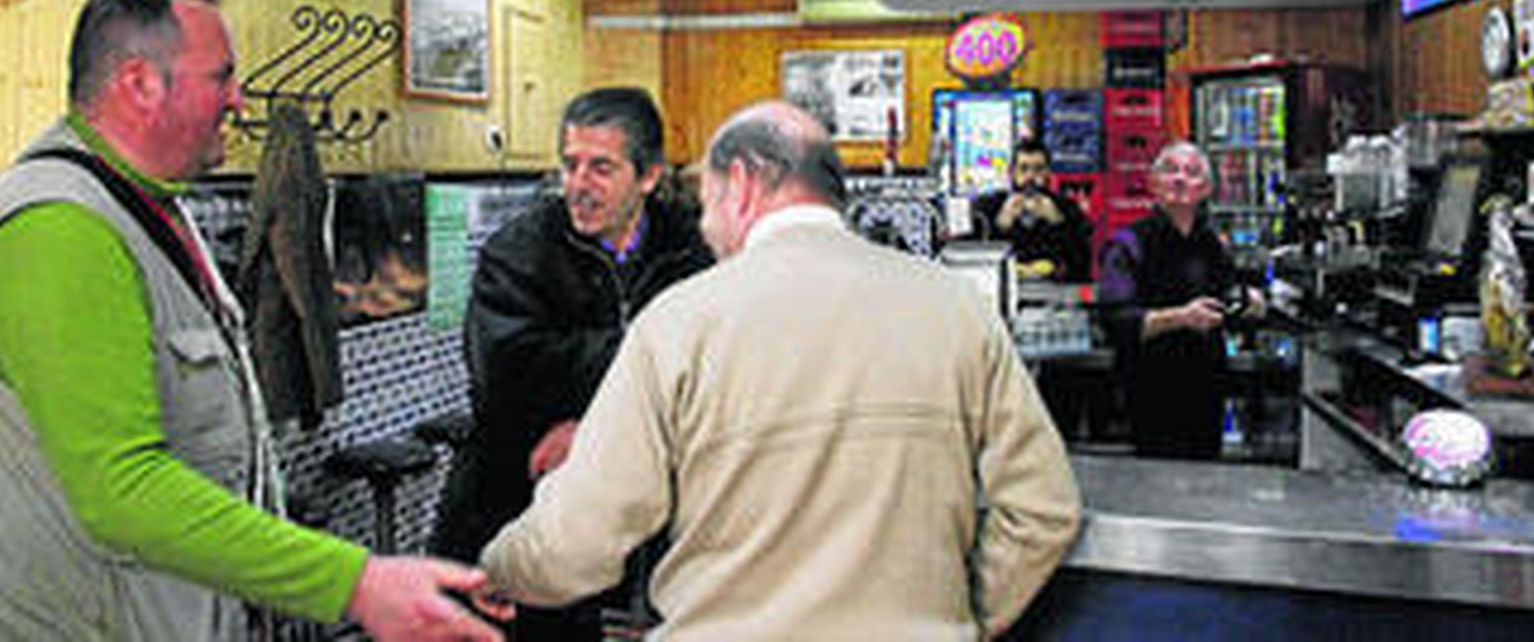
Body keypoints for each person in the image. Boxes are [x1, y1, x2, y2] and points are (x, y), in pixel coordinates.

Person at [0, 0, 504, 641]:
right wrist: (354, 580)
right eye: (221, 76)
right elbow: (121, 488)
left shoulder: (149, 206)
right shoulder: (61, 227)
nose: (238, 99)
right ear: (141, 83)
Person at [480, 101, 1082, 638]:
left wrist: (493, 571)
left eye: (708, 202)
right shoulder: (957, 307)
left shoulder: (680, 321)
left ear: (741, 183)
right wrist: (963, 620)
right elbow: (1044, 511)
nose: (706, 227)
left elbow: (577, 543)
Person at [431, 86, 713, 640]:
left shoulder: (689, 251)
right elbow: (507, 375)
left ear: (649, 175)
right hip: (520, 501)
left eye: (601, 168)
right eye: (571, 165)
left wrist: (592, 431)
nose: (578, 186)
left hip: (649, 516)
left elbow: (713, 370)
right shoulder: (519, 252)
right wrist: (646, 355)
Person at [1098, 140, 1266, 460]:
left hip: (1206, 388)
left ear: (1205, 188)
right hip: (1150, 389)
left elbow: (1226, 299)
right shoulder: (1128, 243)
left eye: (1191, 173)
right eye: (1170, 170)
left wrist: (1250, 304)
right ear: (1152, 184)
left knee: (1204, 488)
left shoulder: (1212, 243)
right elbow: (1116, 323)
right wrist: (1181, 318)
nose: (1179, 179)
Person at [974, 138, 1093, 282]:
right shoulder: (989, 207)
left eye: (1038, 169)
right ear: (1012, 172)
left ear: (1048, 172)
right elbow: (977, 267)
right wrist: (1001, 225)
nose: (1030, 177)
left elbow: (1082, 266)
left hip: (1054, 292)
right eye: (1023, 169)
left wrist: (1058, 222)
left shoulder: (1067, 209)